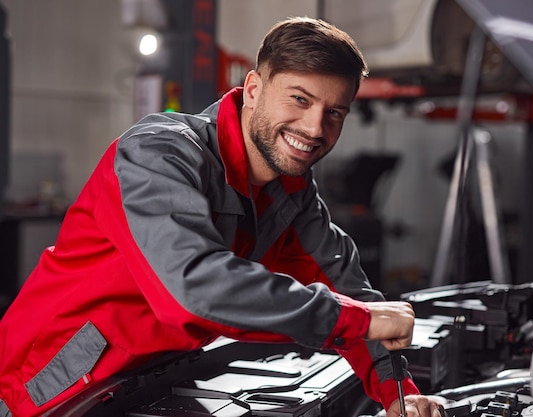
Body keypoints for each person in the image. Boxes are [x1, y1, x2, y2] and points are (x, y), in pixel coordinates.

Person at [0, 17, 444, 417]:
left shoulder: (292, 193)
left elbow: (348, 288)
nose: (314, 128)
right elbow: (196, 286)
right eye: (299, 99)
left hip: (149, 384)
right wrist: (359, 319)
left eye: (334, 113)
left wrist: (398, 394)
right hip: (44, 389)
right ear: (253, 89)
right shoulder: (158, 154)